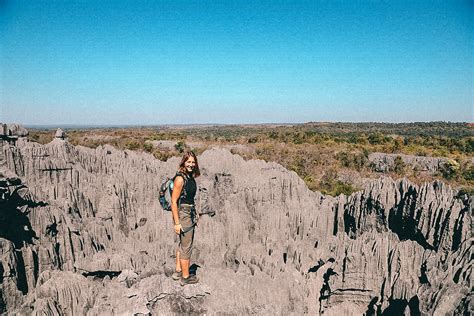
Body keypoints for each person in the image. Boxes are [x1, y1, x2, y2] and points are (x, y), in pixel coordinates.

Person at [171, 151, 200, 285]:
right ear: (183, 162)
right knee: (187, 246)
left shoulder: (189, 176)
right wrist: (177, 223)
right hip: (183, 214)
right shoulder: (180, 179)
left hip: (188, 212)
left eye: (193, 162)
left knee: (183, 244)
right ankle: (185, 276)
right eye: (188, 162)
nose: (191, 164)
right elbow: (173, 202)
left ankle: (178, 271)